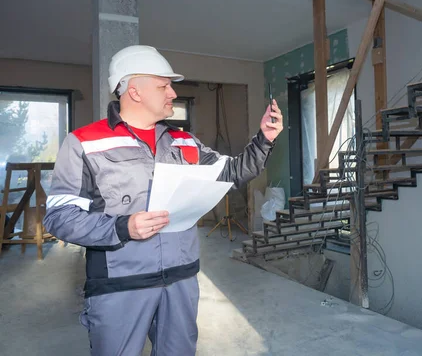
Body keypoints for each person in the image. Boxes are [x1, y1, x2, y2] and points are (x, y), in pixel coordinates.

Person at [42, 45, 283, 355]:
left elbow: (232, 171)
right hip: (120, 284)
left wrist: (264, 138)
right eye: (163, 85)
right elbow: (60, 218)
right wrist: (122, 227)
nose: (172, 92)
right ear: (135, 91)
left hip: (181, 280)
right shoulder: (84, 143)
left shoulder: (184, 141)